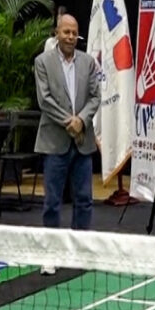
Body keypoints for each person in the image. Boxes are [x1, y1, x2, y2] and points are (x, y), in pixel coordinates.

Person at [33, 15, 101, 275]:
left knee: (84, 200)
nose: (70, 37)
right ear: (57, 33)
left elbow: (95, 97)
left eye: (74, 33)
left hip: (83, 142)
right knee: (52, 201)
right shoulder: (42, 62)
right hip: (54, 142)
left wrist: (81, 121)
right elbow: (45, 100)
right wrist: (69, 122)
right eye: (66, 32)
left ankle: (79, 251)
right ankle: (51, 253)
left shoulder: (89, 62)